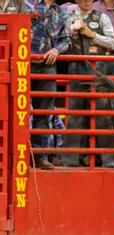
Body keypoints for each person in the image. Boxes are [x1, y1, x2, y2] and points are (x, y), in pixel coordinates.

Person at [61, 0, 114, 167]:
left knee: (103, 113)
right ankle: (70, 160)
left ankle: (110, 160)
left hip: (98, 69)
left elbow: (113, 43)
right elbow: (62, 41)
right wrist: (70, 33)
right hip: (76, 67)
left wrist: (91, 34)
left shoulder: (102, 18)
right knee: (74, 114)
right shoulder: (69, 17)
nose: (87, 1)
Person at [26, 0, 71, 170]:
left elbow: (67, 40)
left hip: (47, 65)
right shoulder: (26, 4)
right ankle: (16, 153)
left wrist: (56, 50)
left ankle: (39, 156)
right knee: (16, 108)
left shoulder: (61, 12)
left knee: (44, 112)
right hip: (24, 62)